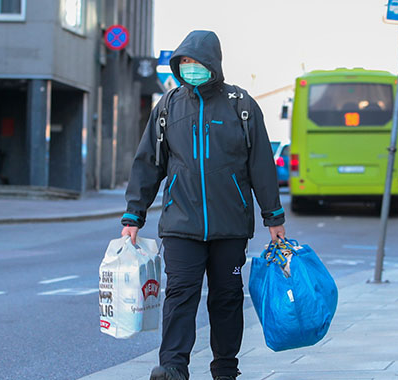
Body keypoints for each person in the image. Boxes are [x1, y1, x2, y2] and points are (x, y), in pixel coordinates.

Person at [120, 30, 286, 380]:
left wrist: (273, 215)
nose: (191, 67)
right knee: (180, 295)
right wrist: (134, 213)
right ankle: (173, 367)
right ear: (178, 66)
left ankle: (226, 368)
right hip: (181, 223)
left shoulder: (240, 105)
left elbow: (261, 164)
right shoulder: (167, 107)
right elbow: (148, 162)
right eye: (185, 62)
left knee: (226, 298)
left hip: (230, 225)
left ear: (213, 63)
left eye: (197, 62)